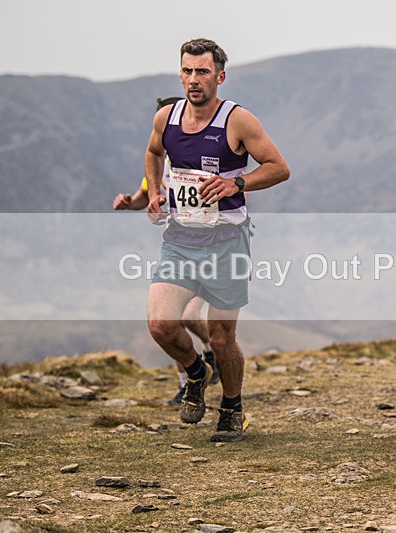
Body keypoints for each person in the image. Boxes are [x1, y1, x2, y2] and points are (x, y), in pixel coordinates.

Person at [145, 38, 289, 442]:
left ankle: (232, 407)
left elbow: (279, 168)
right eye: (187, 71)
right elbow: (153, 153)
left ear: (219, 77)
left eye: (203, 72)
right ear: (180, 74)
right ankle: (195, 372)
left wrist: (235, 182)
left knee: (222, 336)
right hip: (180, 239)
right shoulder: (166, 118)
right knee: (160, 325)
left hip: (227, 241)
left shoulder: (237, 121)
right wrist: (155, 190)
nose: (194, 80)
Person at [113, 96, 219, 406]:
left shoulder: (207, 158)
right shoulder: (158, 167)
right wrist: (128, 204)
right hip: (179, 249)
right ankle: (189, 381)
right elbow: (143, 197)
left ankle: (215, 355)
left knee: (187, 315)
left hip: (215, 251)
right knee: (170, 320)